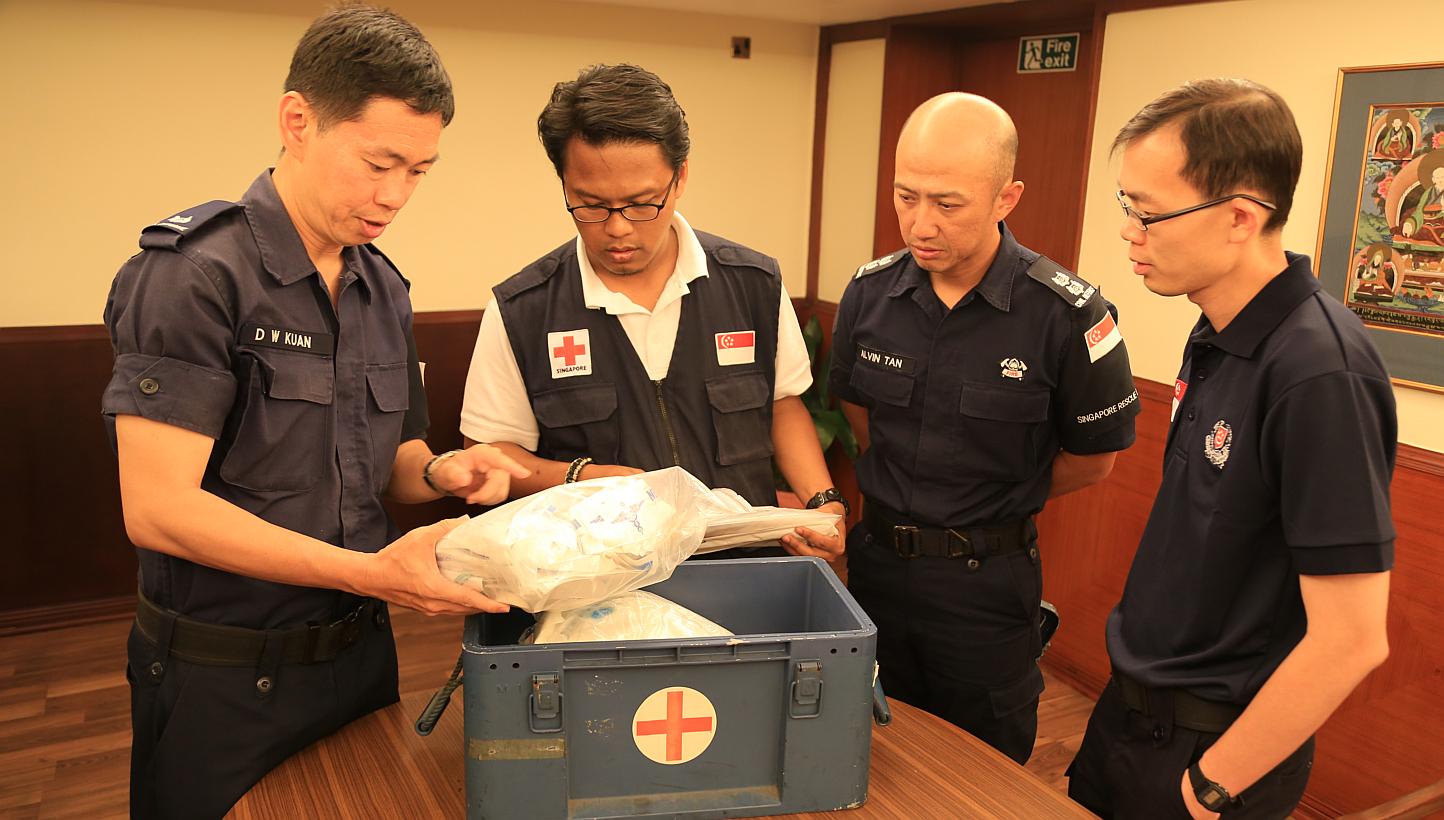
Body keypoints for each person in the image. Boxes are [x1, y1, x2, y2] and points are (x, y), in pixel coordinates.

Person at [101, 7, 528, 817]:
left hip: (361, 657)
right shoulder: (194, 276)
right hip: (223, 672)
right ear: (298, 121)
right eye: (379, 163)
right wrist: (376, 573)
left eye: (420, 171)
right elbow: (157, 510)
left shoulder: (382, 287)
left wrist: (441, 469)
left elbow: (393, 460)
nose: (396, 195)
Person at [1067, 78, 1395, 819]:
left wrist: (1209, 788)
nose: (1129, 233)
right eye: (1128, 208)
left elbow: (1352, 639)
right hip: (1130, 716)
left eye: (1147, 215)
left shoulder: (1319, 371)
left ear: (1241, 217)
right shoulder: (1215, 327)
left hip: (1211, 753)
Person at [828, 93, 1141, 764]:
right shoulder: (869, 294)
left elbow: (1094, 461)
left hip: (984, 584)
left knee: (983, 765)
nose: (920, 223)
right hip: (877, 567)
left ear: (1006, 197)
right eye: (905, 197)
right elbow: (860, 416)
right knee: (864, 750)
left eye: (947, 204)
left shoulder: (1067, 314)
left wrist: (985, 505)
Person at [460, 63, 845, 559]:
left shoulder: (753, 285)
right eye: (591, 204)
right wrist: (580, 478)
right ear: (564, 182)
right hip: (597, 582)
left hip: (747, 568)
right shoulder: (523, 309)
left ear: (680, 176)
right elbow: (489, 454)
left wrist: (824, 500)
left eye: (642, 203)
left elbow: (781, 404)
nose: (618, 229)